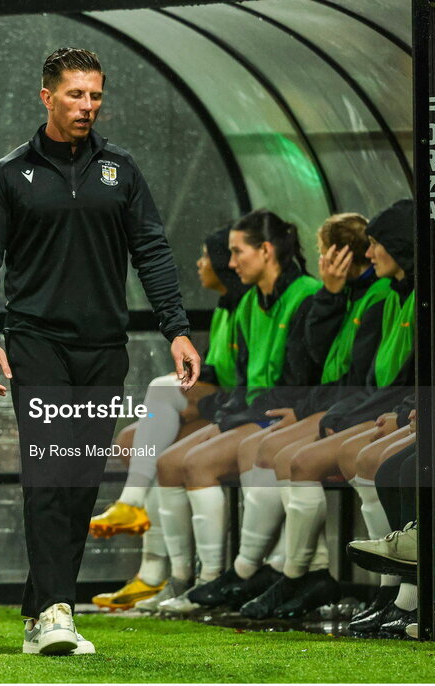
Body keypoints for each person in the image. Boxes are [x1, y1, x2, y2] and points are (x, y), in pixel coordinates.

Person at [0, 47, 199, 656]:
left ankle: (41, 604)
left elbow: (151, 250)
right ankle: (55, 613)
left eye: (95, 95)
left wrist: (176, 328)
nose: (87, 106)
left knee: (79, 482)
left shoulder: (121, 170)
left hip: (103, 351)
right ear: (47, 97)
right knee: (49, 474)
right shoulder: (11, 175)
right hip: (37, 344)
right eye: (75, 95)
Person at [189, 212, 391, 616]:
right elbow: (313, 357)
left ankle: (278, 572)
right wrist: (332, 296)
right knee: (227, 453)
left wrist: (308, 409)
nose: (230, 263)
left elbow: (328, 370)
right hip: (328, 404)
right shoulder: (337, 295)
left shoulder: (370, 294)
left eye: (236, 252)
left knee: (271, 453)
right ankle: (283, 572)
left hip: (351, 407)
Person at [150, 210, 320, 615]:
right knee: (170, 463)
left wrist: (232, 412)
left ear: (266, 250)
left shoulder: (307, 294)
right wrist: (230, 411)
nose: (230, 263)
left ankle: (226, 576)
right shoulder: (249, 304)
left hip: (283, 414)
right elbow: (242, 378)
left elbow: (302, 377)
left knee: (199, 465)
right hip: (255, 412)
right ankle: (184, 579)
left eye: (237, 251)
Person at [90, 226, 247, 611]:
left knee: (162, 390)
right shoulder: (229, 305)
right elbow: (218, 370)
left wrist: (205, 403)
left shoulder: (249, 304)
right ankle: (155, 574)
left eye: (207, 256)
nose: (200, 264)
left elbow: (243, 377)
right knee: (131, 440)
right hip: (222, 405)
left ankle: (179, 573)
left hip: (238, 411)